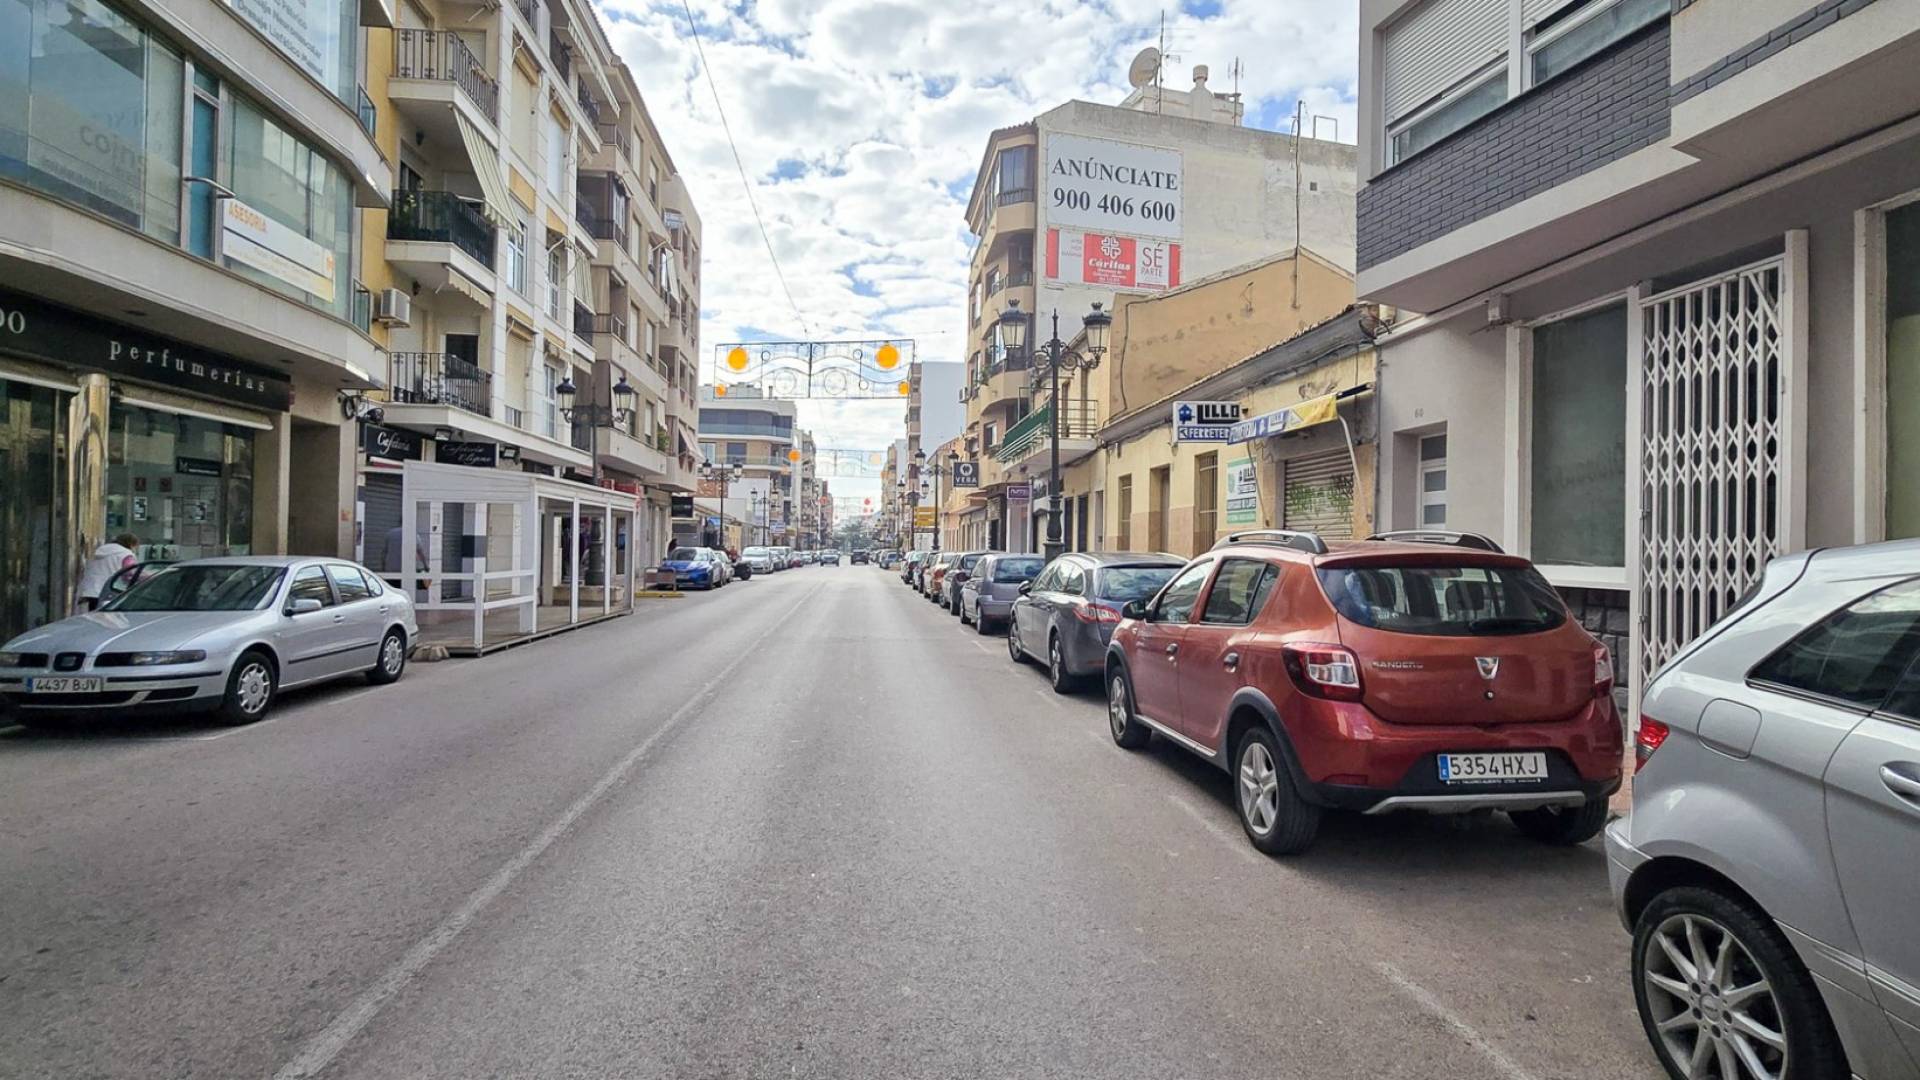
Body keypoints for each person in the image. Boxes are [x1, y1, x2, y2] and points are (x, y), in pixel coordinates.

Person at [74, 533, 141, 614]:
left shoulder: (101, 550)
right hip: (109, 591)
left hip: (91, 590)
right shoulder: (126, 554)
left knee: (94, 615)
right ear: (131, 544)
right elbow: (130, 574)